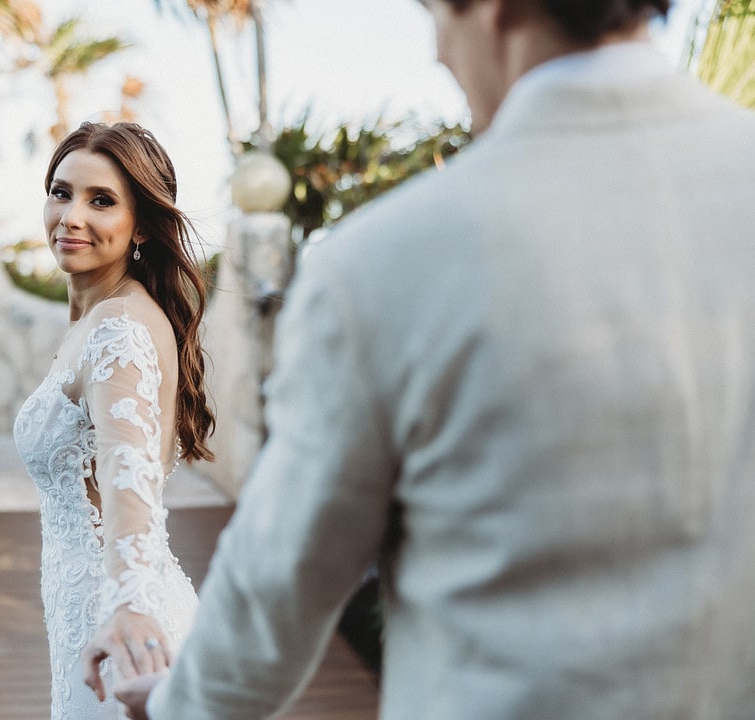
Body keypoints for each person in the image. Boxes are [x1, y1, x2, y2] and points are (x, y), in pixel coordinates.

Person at [91, 0, 755, 718]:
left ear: (497, 11)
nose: (439, 52)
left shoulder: (382, 263)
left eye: (438, 14)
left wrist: (177, 706)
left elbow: (284, 578)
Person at [13, 121, 214, 719]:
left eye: (101, 200)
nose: (71, 215)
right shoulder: (96, 319)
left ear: (143, 226)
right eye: (61, 191)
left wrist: (129, 607)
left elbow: (127, 479)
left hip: (120, 638)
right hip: (86, 616)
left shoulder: (119, 328)